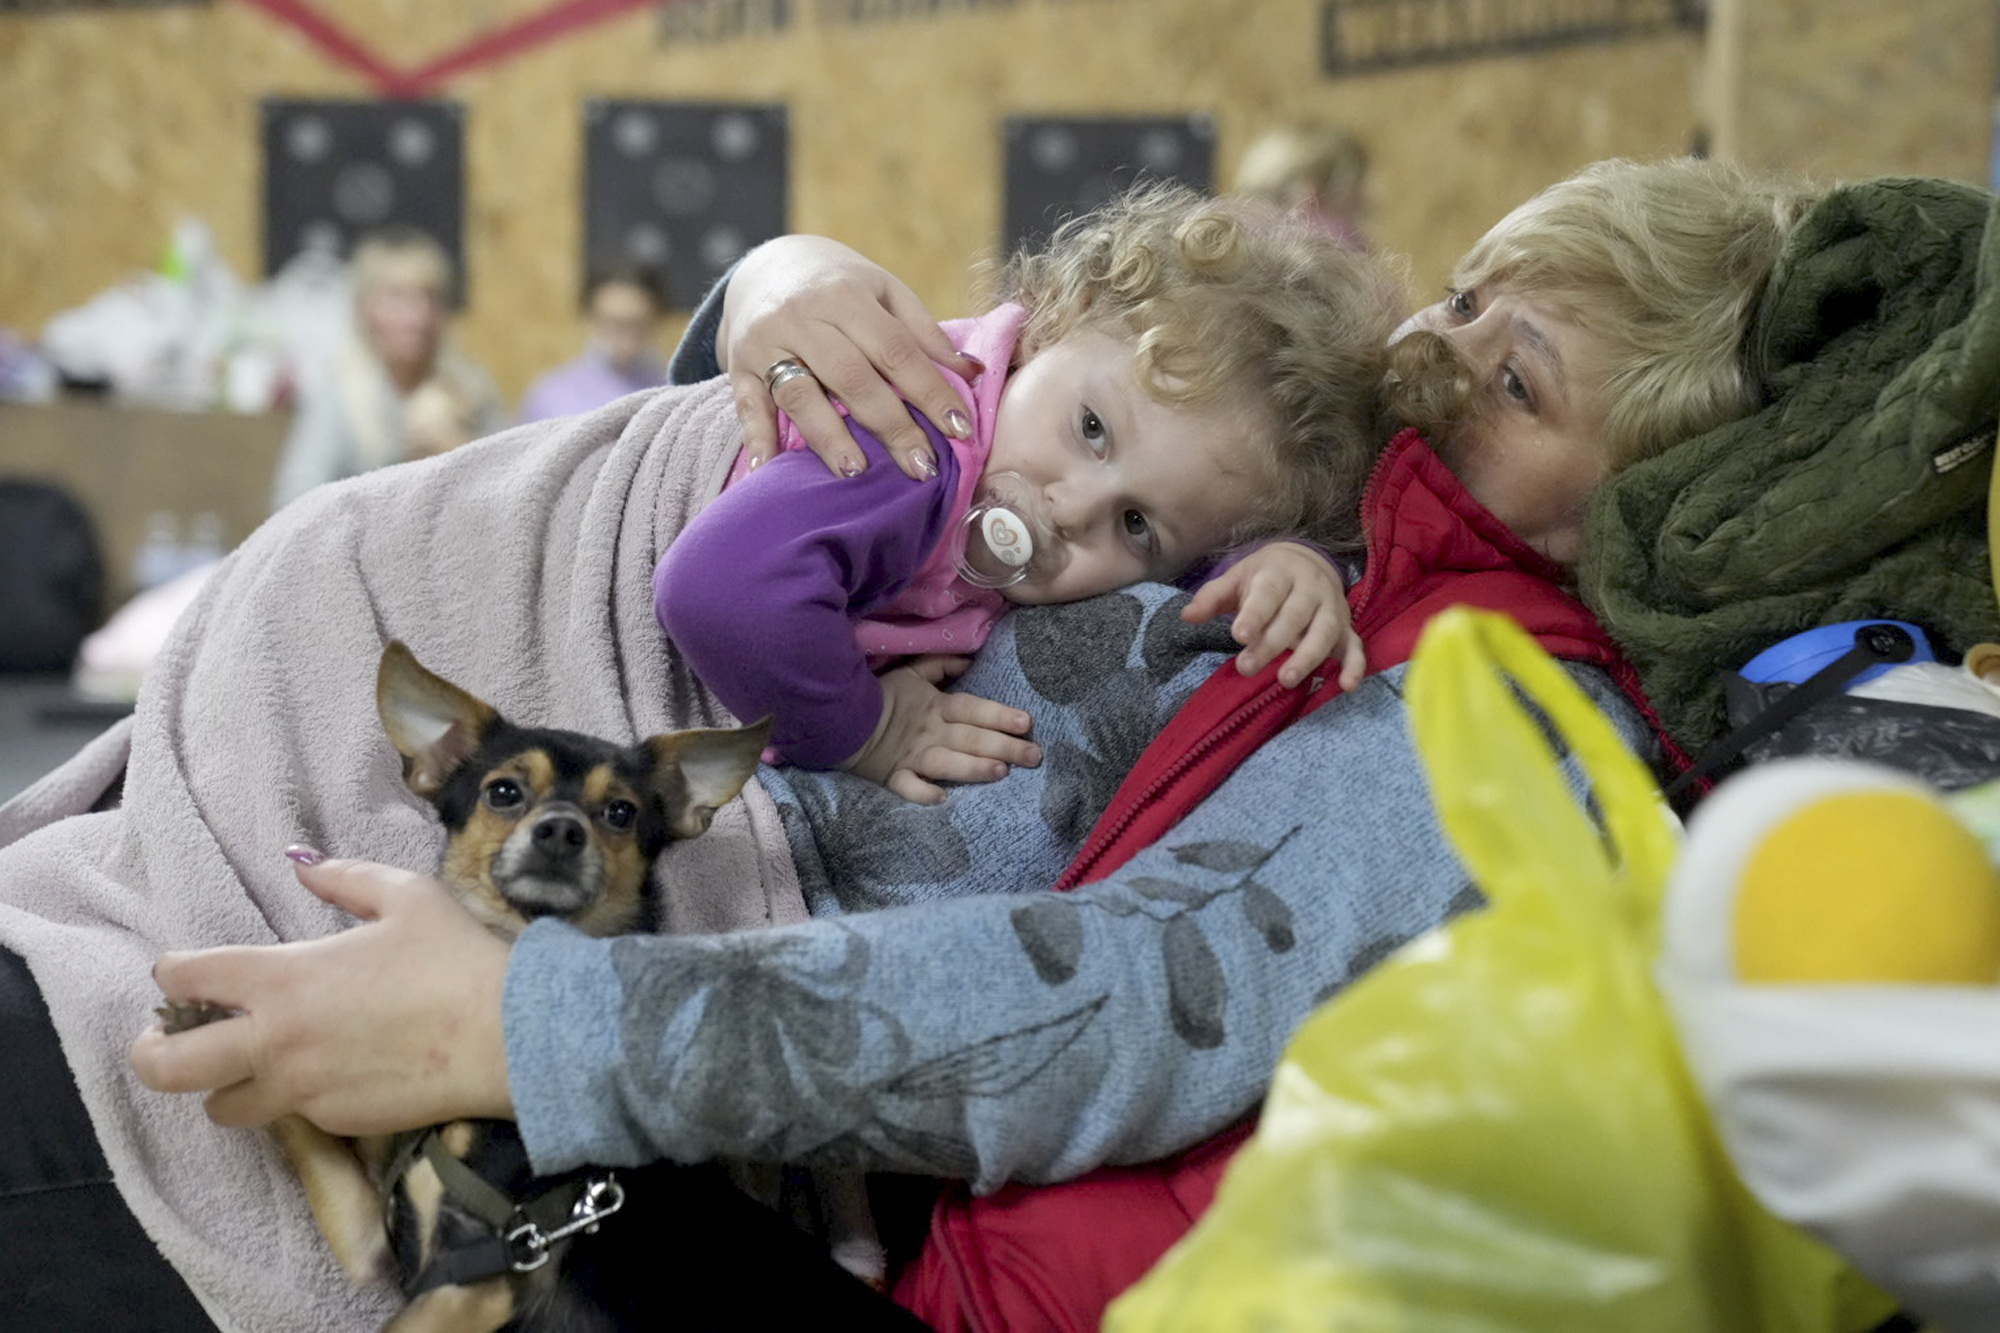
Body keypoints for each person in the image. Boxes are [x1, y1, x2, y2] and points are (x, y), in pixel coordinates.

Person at [0, 156, 1809, 1330]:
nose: (1436, 342)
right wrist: (786, 290)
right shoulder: (1339, 521)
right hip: (507, 813)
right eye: (1473, 287)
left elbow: (1126, 993)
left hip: (599, 1030)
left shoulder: (1490, 700)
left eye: (1515, 373)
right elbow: (850, 464)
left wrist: (512, 1023)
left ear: (1643, 498)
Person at [656, 183, 1396, 802]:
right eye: (1093, 429)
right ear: (1044, 327)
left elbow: (1205, 553)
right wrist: (869, 729)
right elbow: (715, 590)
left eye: (1135, 525)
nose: (1073, 508)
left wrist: (1291, 564)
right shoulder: (919, 448)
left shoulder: (1040, 435)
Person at [270, 226, 504, 511]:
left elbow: (510, 488)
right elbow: (294, 501)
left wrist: (454, 447)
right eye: (397, 299)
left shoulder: (471, 388)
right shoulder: (341, 393)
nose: (417, 317)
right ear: (365, 309)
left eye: (428, 297)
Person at [517, 261, 673, 424]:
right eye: (614, 324)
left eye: (637, 324)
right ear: (592, 319)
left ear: (658, 318)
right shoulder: (550, 396)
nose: (626, 340)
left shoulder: (672, 393)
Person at [1232, 121, 1372, 250]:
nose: (1365, 198)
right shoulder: (1335, 243)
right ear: (1312, 190)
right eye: (1357, 184)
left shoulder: (1227, 241)